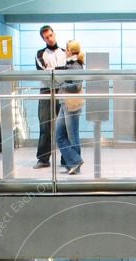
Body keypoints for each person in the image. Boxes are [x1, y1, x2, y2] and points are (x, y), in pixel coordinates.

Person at [34, 25, 66, 169]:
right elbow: (43, 72)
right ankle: (43, 159)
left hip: (61, 90)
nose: (50, 39)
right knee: (45, 125)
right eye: (47, 37)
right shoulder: (40, 54)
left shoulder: (64, 52)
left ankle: (66, 158)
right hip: (46, 91)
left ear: (55, 34)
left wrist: (53, 70)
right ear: (43, 39)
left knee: (64, 125)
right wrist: (56, 71)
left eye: (51, 35)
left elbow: (66, 70)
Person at [55, 40, 85, 175]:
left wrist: (61, 84)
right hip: (65, 103)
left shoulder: (76, 66)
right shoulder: (70, 65)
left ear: (70, 51)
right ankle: (74, 160)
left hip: (71, 104)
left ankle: (75, 163)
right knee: (59, 135)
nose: (65, 52)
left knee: (72, 136)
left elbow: (77, 86)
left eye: (66, 49)